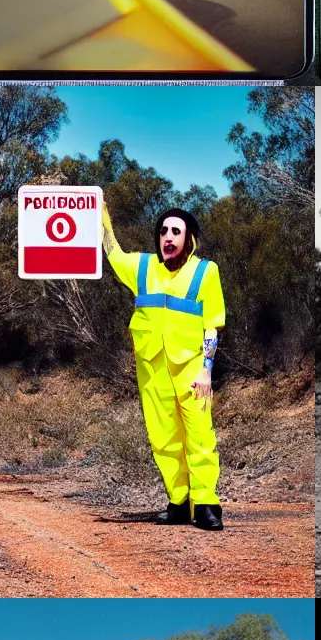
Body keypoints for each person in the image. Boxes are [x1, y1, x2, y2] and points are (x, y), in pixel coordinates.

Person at [98, 195, 226, 529]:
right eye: (164, 231)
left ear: (189, 240)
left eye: (176, 232)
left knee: (199, 436)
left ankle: (207, 505)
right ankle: (179, 503)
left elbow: (211, 325)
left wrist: (206, 371)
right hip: (152, 369)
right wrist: (100, 211)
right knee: (163, 438)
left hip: (192, 369)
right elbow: (111, 251)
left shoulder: (205, 272)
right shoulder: (141, 267)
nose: (168, 237)